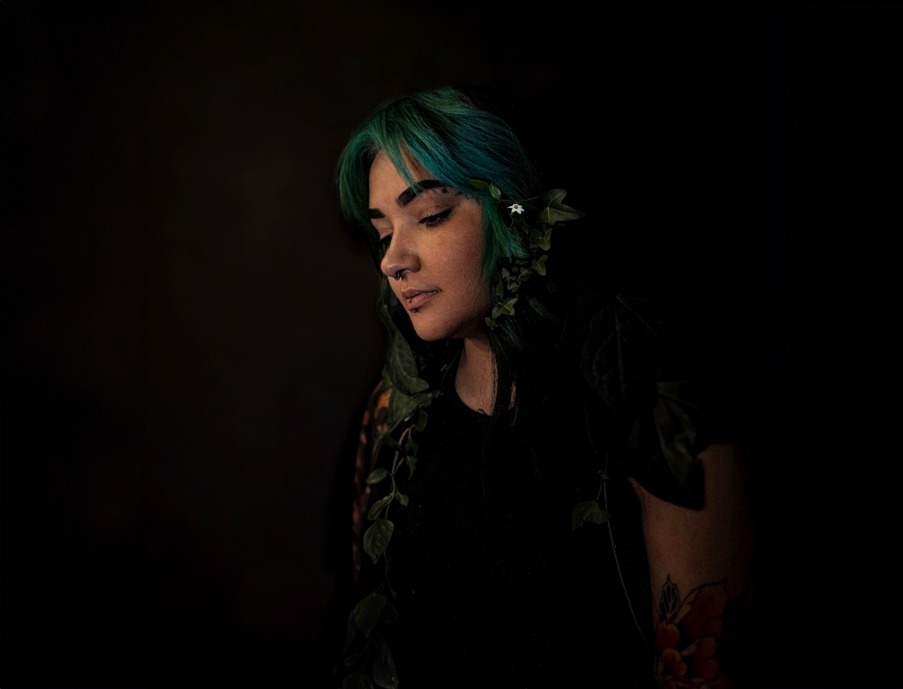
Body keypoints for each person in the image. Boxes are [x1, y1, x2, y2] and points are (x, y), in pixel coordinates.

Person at [327, 85, 759, 688]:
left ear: (516, 214)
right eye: (382, 231)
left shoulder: (651, 406)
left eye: (430, 216)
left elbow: (702, 667)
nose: (392, 260)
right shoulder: (394, 414)